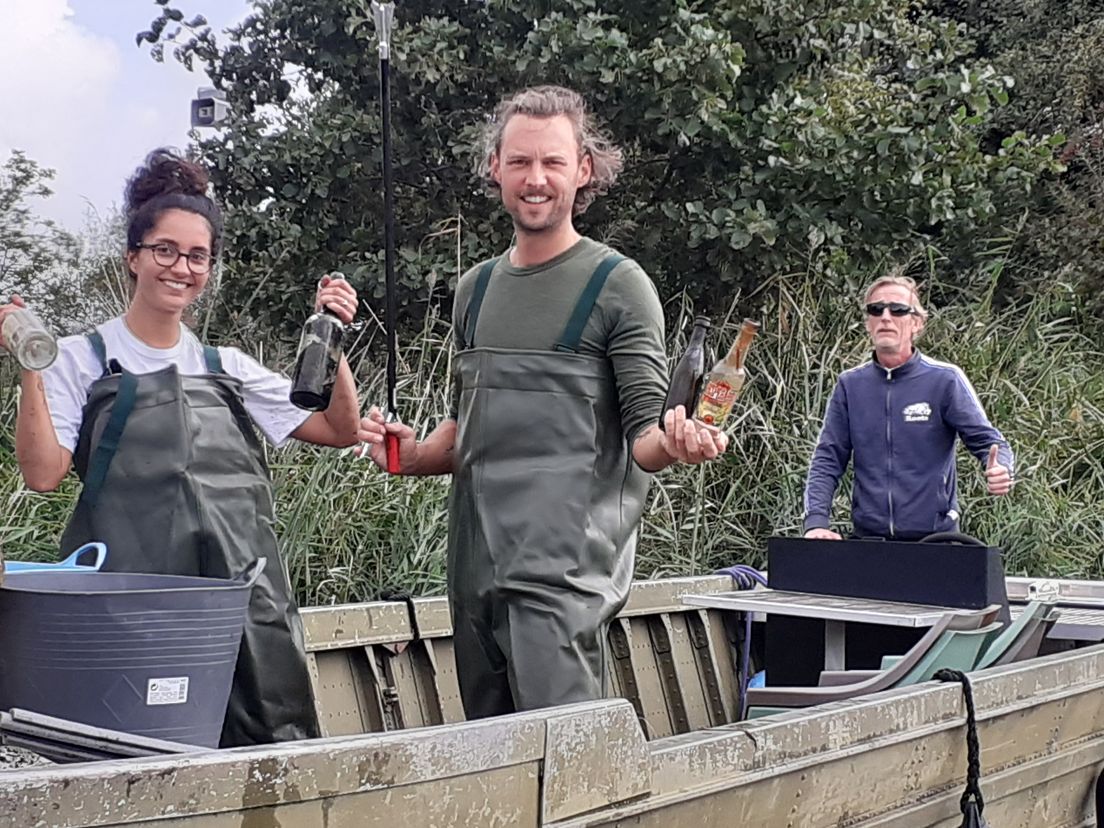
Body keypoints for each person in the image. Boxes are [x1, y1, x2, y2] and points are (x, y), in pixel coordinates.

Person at [358, 85, 728, 718]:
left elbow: (644, 440)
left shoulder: (618, 285)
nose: (536, 179)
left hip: (563, 583)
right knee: (491, 764)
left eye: (553, 162)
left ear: (583, 170)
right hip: (473, 578)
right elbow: (466, 427)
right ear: (494, 167)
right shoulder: (474, 289)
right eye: (521, 161)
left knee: (562, 771)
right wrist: (407, 455)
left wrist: (678, 440)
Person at [0, 148, 362, 746]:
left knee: (271, 752)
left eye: (197, 256)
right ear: (133, 259)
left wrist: (334, 336)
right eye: (164, 251)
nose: (181, 268)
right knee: (128, 753)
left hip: (245, 611)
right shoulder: (79, 358)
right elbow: (42, 474)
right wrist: (31, 365)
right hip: (131, 610)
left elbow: (337, 429)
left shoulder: (229, 368)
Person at [803, 273, 1014, 542]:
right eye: (876, 309)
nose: (886, 317)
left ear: (917, 323)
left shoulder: (944, 380)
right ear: (868, 322)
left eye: (898, 310)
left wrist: (1000, 469)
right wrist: (816, 523)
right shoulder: (850, 385)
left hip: (935, 542)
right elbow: (827, 459)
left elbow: (991, 443)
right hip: (869, 542)